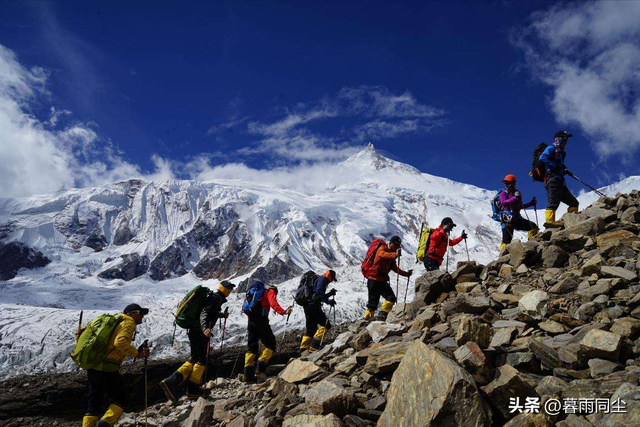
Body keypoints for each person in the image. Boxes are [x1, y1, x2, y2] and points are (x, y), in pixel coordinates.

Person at [160, 281, 234, 402]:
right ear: (223, 288)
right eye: (229, 288)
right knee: (202, 360)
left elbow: (209, 312)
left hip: (194, 331)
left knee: (194, 358)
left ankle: (171, 381)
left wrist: (221, 315)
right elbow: (204, 313)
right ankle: (193, 389)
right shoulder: (215, 298)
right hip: (199, 332)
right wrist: (205, 328)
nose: (230, 290)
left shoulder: (215, 298)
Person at [82, 304, 150, 427]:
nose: (142, 316)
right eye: (140, 313)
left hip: (94, 364)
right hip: (108, 366)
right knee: (121, 399)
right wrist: (137, 354)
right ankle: (105, 424)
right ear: (131, 313)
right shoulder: (128, 322)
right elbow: (120, 342)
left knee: (94, 404)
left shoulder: (116, 321)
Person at [243, 281, 292, 383]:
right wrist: (283, 311)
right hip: (261, 321)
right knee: (271, 344)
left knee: (252, 348)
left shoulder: (253, 294)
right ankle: (260, 369)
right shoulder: (270, 292)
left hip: (251, 322)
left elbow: (248, 309)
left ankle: (247, 376)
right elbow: (273, 303)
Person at [363, 236, 412, 321]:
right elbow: (382, 255)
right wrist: (395, 254)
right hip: (374, 280)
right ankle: (367, 320)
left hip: (380, 280)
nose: (397, 247)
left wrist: (406, 274)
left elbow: (395, 268)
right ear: (390, 243)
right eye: (395, 245)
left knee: (391, 298)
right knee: (373, 304)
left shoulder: (391, 256)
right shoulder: (382, 248)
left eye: (398, 245)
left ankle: (382, 315)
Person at [539, 130, 579, 225]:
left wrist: (563, 169)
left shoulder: (560, 152)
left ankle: (571, 223)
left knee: (573, 203)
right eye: (564, 138)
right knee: (552, 204)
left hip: (560, 181)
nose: (566, 141)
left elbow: (558, 165)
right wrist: (555, 166)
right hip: (552, 180)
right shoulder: (551, 148)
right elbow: (542, 157)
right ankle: (549, 228)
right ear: (557, 139)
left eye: (566, 139)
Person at [299, 270, 337, 353]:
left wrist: (330, 294)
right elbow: (319, 293)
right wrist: (328, 301)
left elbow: (316, 295)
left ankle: (303, 349)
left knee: (310, 329)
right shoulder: (323, 279)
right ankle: (314, 345)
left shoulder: (318, 279)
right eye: (332, 279)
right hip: (313, 306)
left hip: (307, 306)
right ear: (329, 276)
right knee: (326, 324)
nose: (331, 281)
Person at [499, 174, 538, 251]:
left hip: (516, 217)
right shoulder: (503, 193)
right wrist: (514, 198)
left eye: (509, 183)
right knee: (507, 240)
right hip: (507, 217)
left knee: (533, 227)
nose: (507, 185)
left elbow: (519, 206)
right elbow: (503, 202)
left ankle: (531, 245)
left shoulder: (517, 193)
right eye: (506, 183)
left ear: (514, 183)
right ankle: (503, 256)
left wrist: (531, 203)